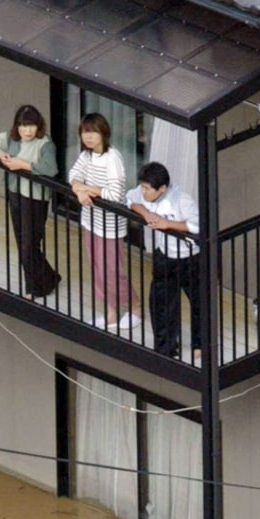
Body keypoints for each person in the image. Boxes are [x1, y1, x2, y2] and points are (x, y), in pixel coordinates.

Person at [68, 113, 140, 329]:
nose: (88, 137)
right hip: (90, 220)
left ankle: (135, 305)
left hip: (109, 226)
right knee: (97, 268)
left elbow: (115, 194)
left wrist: (87, 189)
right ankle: (111, 311)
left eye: (93, 132)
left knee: (112, 270)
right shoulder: (87, 155)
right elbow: (73, 174)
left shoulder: (113, 157)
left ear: (103, 133)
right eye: (85, 132)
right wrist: (78, 190)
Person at [0, 105, 61, 299]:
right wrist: (1, 154)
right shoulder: (11, 138)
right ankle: (48, 278)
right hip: (15, 192)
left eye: (31, 125)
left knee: (29, 244)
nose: (27, 130)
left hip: (35, 198)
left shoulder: (45, 143)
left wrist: (22, 165)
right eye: (23, 126)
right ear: (17, 126)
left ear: (38, 126)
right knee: (23, 242)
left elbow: (50, 169)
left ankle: (33, 288)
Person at [126, 161, 201, 359]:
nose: (143, 192)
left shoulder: (182, 199)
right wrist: (146, 213)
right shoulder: (143, 193)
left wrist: (167, 224)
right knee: (161, 302)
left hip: (189, 257)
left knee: (199, 301)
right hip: (164, 255)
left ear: (162, 189)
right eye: (142, 186)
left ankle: (200, 344)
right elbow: (130, 199)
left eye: (147, 189)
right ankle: (166, 349)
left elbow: (197, 225)